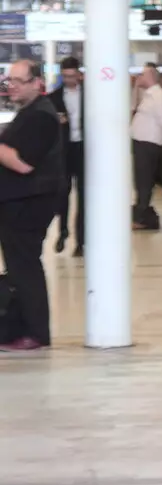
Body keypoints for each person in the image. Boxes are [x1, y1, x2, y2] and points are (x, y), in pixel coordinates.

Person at [0, 59, 65, 351]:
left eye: (17, 80)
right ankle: (19, 327)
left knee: (25, 268)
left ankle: (36, 333)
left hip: (29, 204)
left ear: (37, 83)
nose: (10, 86)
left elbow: (23, 164)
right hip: (17, 202)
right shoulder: (29, 113)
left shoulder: (41, 116)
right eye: (8, 80)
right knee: (18, 267)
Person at [47, 56, 85, 257]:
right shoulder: (54, 98)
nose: (69, 80)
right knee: (62, 193)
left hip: (83, 149)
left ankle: (81, 240)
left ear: (79, 74)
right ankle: (62, 232)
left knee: (83, 197)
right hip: (64, 151)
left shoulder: (90, 95)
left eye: (72, 76)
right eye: (65, 76)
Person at [130, 63, 162, 230]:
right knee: (140, 182)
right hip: (141, 144)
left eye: (143, 74)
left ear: (151, 76)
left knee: (144, 181)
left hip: (149, 145)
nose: (140, 77)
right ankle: (140, 213)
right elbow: (132, 107)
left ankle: (141, 217)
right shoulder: (147, 95)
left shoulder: (158, 96)